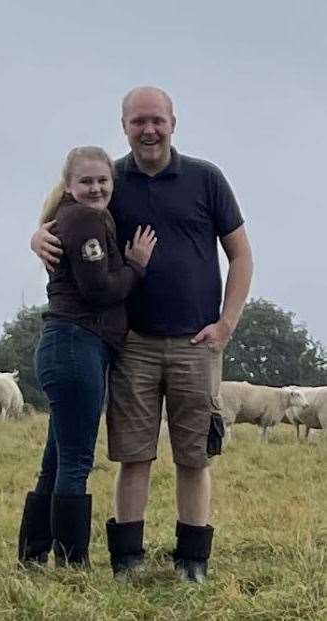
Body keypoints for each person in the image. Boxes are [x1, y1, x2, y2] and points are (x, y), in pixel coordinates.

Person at [30, 86, 253, 582]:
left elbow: (240, 253)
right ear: (124, 125)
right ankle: (127, 560)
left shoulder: (206, 178)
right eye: (138, 122)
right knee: (134, 455)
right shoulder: (111, 179)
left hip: (198, 342)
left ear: (174, 121)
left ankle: (192, 560)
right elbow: (64, 211)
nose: (148, 130)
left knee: (195, 455)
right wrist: (35, 233)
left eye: (157, 120)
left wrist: (226, 324)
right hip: (132, 344)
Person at [17, 146, 156, 568]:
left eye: (103, 181)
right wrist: (136, 267)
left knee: (57, 458)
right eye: (86, 181)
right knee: (76, 461)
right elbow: (99, 289)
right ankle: (72, 562)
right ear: (70, 184)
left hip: (69, 345)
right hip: (78, 345)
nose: (96, 188)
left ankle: (33, 555)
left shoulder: (75, 217)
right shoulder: (85, 219)